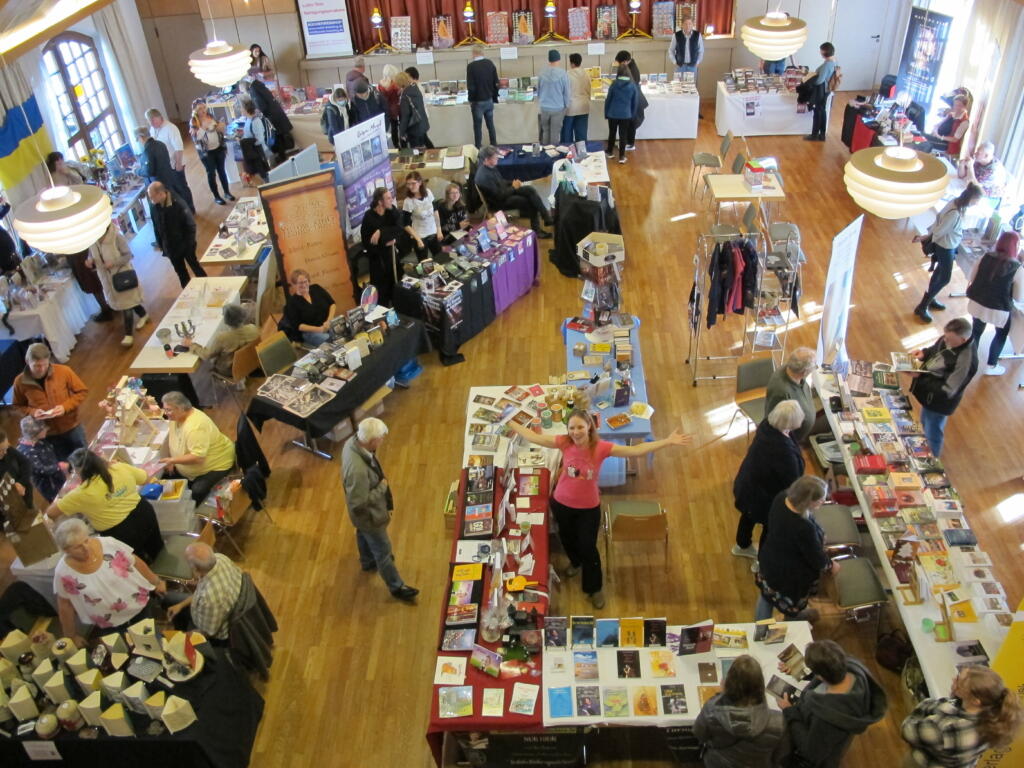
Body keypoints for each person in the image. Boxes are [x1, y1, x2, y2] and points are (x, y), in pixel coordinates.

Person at [508, 409, 691, 609]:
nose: (576, 432)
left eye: (580, 427)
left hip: (588, 508)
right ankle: (575, 563)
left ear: (589, 427)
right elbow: (534, 436)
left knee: (589, 548)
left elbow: (636, 451)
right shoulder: (564, 442)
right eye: (572, 428)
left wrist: (667, 441)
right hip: (561, 503)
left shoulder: (602, 448)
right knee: (567, 538)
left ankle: (593, 588)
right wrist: (509, 420)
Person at [340, 417, 419, 602]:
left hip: (362, 519)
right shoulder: (358, 470)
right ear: (372, 441)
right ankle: (396, 586)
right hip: (370, 516)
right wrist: (382, 487)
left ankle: (367, 562)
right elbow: (358, 503)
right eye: (381, 437)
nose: (383, 440)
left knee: (362, 533)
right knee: (383, 553)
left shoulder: (352, 443)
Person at [53, 518, 166, 645]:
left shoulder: (108, 544)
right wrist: (71, 636)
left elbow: (135, 562)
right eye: (78, 547)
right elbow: (65, 605)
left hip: (137, 608)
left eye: (86, 540)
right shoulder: (63, 572)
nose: (86, 548)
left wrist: (156, 582)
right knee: (124, 654)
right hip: (109, 623)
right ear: (66, 550)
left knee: (153, 644)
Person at [780, 640, 888, 768]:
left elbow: (810, 752)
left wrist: (789, 711)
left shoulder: (827, 716)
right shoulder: (853, 670)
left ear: (821, 675)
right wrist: (798, 670)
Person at [45, 448, 163, 564]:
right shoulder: (119, 468)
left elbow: (51, 513)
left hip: (121, 532)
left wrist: (67, 495)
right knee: (158, 550)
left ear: (78, 471)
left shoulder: (81, 493)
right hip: (144, 513)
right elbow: (145, 479)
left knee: (136, 563)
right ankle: (168, 572)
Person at [902, 665, 1023, 768]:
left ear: (976, 700)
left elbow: (907, 730)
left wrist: (925, 706)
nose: (954, 679)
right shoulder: (992, 720)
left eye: (960, 682)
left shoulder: (949, 728)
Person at [731, 400, 806, 560]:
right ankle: (762, 561)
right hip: (764, 497)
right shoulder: (784, 453)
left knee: (747, 516)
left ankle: (742, 545)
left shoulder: (768, 427)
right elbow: (792, 481)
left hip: (749, 486)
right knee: (770, 526)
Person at [45, 152, 114, 322]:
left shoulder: (69, 171)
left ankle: (108, 306)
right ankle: (106, 305)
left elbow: (81, 183)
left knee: (92, 277)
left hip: (82, 246)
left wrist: (67, 171)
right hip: (78, 242)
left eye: (62, 159)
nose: (61, 163)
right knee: (91, 278)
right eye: (58, 161)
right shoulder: (53, 182)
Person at [754, 475, 833, 621]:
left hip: (770, 561)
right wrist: (831, 565)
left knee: (766, 597)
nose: (823, 502)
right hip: (790, 577)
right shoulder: (803, 528)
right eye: (820, 500)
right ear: (808, 501)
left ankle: (759, 632)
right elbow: (816, 558)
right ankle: (792, 625)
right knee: (791, 607)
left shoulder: (782, 498)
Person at [694, 654, 789, 768]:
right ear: (760, 684)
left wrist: (722, 694)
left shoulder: (711, 709)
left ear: (728, 682)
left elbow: (699, 734)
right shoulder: (779, 722)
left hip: (719, 763)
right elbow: (780, 756)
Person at [905, 317, 978, 458]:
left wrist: (920, 376)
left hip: (939, 402)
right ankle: (924, 449)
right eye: (944, 336)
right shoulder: (950, 339)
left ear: (963, 340)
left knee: (933, 431)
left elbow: (947, 390)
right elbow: (936, 349)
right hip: (929, 397)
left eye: (948, 339)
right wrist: (924, 353)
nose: (945, 341)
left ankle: (932, 459)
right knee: (926, 422)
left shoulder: (966, 362)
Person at [913, 184, 985, 323]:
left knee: (939, 273)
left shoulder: (954, 203)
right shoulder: (955, 213)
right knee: (945, 277)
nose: (976, 204)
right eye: (977, 201)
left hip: (946, 245)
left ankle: (930, 299)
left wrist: (928, 235)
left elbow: (938, 219)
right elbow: (940, 231)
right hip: (946, 247)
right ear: (972, 199)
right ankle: (923, 306)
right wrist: (926, 237)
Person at [13, 343, 88, 461]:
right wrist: (32, 412)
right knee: (63, 464)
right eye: (37, 366)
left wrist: (65, 407)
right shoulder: (19, 382)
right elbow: (17, 406)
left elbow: (82, 391)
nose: (42, 369)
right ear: (27, 361)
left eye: (45, 365)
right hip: (48, 434)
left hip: (72, 426)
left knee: (85, 459)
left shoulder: (64, 371)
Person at [158, 391, 237, 504]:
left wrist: (172, 460)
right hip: (189, 467)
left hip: (216, 465)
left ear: (181, 408)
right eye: (165, 409)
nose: (166, 413)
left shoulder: (195, 427)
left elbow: (198, 457)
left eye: (169, 410)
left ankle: (196, 513)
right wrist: (172, 459)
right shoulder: (178, 417)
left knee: (197, 491)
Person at [967, 231, 1022, 377]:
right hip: (998, 308)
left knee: (976, 331)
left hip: (977, 303)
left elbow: (971, 277)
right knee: (1001, 334)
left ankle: (968, 362)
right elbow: (1018, 297)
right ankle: (991, 365)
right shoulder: (1017, 268)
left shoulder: (985, 257)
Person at [86, 221, 149, 348]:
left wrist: (114, 262)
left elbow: (128, 255)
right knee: (128, 302)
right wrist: (89, 260)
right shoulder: (92, 239)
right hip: (107, 278)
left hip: (122, 275)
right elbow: (91, 254)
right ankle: (144, 314)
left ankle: (128, 335)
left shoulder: (117, 237)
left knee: (126, 304)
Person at [166, 541, 243, 642]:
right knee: (172, 601)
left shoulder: (209, 599)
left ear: (196, 569)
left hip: (211, 632)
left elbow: (207, 633)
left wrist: (178, 638)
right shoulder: (221, 558)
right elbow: (200, 592)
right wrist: (180, 605)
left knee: (170, 640)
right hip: (211, 612)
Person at [475, 145, 553, 237]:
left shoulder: (490, 167)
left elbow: (501, 181)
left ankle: (546, 218)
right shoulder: (484, 176)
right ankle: (538, 231)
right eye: (495, 157)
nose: (497, 158)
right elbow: (499, 196)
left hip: (503, 192)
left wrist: (512, 183)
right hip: (498, 202)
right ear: (487, 159)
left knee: (529, 190)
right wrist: (513, 187)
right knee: (529, 201)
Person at [148, 181, 207, 288]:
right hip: (171, 248)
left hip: (185, 245)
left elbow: (191, 225)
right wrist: (162, 246)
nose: (151, 200)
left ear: (161, 194)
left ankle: (208, 287)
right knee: (181, 274)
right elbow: (156, 227)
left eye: (152, 197)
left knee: (195, 267)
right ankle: (189, 295)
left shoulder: (178, 204)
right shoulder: (153, 207)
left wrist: (188, 245)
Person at [182, 303, 259, 378]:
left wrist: (192, 345)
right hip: (250, 363)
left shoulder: (223, 338)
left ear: (226, 320)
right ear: (242, 315)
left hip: (230, 370)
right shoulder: (253, 328)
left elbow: (207, 355)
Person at [360, 187, 405, 307]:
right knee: (382, 292)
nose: (392, 200)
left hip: (392, 257)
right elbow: (367, 243)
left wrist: (381, 231)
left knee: (397, 286)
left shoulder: (392, 211)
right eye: (388, 198)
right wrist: (384, 243)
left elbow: (399, 228)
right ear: (380, 202)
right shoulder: (369, 217)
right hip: (378, 261)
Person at [764, 347, 818, 444]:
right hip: (793, 438)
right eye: (813, 367)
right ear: (805, 372)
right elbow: (777, 423)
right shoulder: (781, 392)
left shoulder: (791, 369)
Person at [145, 108, 194, 211]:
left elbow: (178, 147)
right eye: (150, 121)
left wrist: (178, 163)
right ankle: (182, 211)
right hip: (165, 166)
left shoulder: (171, 128)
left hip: (175, 163)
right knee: (173, 189)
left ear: (159, 117)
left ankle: (190, 208)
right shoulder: (153, 129)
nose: (152, 123)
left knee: (181, 187)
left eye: (153, 120)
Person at [189, 99, 236, 205]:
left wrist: (221, 127)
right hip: (206, 152)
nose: (203, 110)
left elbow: (219, 129)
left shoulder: (211, 116)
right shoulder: (194, 122)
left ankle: (227, 192)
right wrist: (204, 128)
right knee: (211, 173)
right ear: (195, 111)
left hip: (218, 148)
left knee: (222, 171)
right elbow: (197, 138)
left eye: (204, 107)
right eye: (200, 109)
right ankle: (216, 196)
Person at [136, 126, 191, 208]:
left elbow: (149, 171)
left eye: (138, 139)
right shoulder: (160, 144)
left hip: (158, 186)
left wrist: (137, 171)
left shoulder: (147, 151)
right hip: (169, 179)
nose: (139, 142)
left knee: (167, 207)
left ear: (141, 137)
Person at [15, 416, 67, 503]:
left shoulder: (40, 440)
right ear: (35, 433)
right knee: (61, 501)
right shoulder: (26, 452)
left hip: (57, 476)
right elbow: (40, 469)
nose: (46, 430)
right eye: (43, 429)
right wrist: (58, 467)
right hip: (49, 485)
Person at [245, 78, 294, 163]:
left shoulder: (253, 89)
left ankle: (282, 157)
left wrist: (258, 113)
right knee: (281, 136)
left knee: (277, 137)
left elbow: (261, 106)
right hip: (276, 113)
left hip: (271, 117)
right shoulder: (259, 85)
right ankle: (283, 156)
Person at [283, 269, 336, 346]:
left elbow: (332, 304)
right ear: (294, 285)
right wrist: (320, 329)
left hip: (328, 324)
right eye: (300, 283)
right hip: (311, 332)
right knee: (329, 340)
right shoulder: (292, 303)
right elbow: (299, 326)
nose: (304, 285)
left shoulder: (316, 288)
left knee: (344, 332)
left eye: (306, 281)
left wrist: (329, 321)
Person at [402, 171, 441, 260]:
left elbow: (435, 211)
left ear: (420, 183)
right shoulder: (408, 201)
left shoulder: (428, 192)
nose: (410, 186)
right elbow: (405, 224)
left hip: (433, 232)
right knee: (425, 265)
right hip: (420, 236)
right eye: (408, 184)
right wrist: (418, 240)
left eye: (413, 183)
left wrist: (439, 230)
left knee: (441, 259)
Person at [605, 64, 639, 165]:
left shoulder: (614, 84)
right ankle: (621, 157)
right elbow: (635, 102)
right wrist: (632, 113)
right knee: (623, 135)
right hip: (626, 114)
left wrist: (606, 113)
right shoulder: (632, 85)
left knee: (612, 133)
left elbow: (608, 100)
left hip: (613, 113)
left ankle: (609, 152)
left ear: (618, 73)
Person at [614, 50, 648, 150]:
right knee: (628, 122)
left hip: (632, 99)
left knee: (630, 122)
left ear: (624, 61)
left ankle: (630, 144)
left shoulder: (630, 69)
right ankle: (626, 142)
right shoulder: (631, 65)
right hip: (632, 98)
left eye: (620, 63)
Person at [467, 45, 499, 147]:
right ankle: (494, 145)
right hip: (489, 100)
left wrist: (470, 99)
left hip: (478, 102)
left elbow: (471, 87)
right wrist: (494, 95)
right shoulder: (489, 63)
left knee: (477, 127)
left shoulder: (471, 67)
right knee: (490, 125)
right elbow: (496, 82)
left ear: (474, 53)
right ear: (482, 52)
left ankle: (478, 147)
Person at [804, 42, 836, 142]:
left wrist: (810, 79)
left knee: (818, 112)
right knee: (822, 111)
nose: (820, 52)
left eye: (821, 50)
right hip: (827, 90)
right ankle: (822, 135)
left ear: (824, 51)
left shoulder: (827, 64)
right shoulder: (834, 61)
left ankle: (814, 135)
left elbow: (819, 80)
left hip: (822, 90)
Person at [537, 49, 569, 146]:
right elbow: (566, 92)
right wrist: (566, 106)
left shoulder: (541, 73)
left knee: (546, 131)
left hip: (544, 108)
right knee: (555, 133)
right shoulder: (563, 74)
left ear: (549, 59)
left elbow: (538, 91)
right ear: (558, 59)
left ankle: (545, 154)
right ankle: (553, 155)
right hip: (558, 108)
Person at [238, 99, 272, 182]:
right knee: (261, 175)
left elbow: (259, 140)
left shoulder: (256, 121)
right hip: (255, 153)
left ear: (246, 109)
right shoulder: (248, 120)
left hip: (260, 153)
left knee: (265, 175)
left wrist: (244, 141)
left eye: (241, 108)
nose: (240, 110)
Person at [562, 53, 591, 144]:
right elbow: (589, 90)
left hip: (570, 107)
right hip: (584, 106)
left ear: (572, 63)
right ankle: (582, 153)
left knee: (567, 133)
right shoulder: (587, 74)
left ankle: (567, 153)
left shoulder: (566, 75)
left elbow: (563, 92)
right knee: (581, 134)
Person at [397, 69, 430, 149]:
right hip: (422, 124)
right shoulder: (416, 89)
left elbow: (405, 116)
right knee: (422, 147)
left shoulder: (405, 96)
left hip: (414, 128)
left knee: (416, 152)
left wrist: (401, 132)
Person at [0, 429, 33, 509]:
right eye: (1, 450)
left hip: (25, 494)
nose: (5, 452)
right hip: (8, 507)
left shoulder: (7, 449)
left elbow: (25, 463)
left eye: (6, 448)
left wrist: (20, 483)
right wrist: (13, 491)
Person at [377, 65, 401, 147]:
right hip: (395, 109)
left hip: (385, 110)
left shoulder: (380, 85)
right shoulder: (395, 85)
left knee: (388, 128)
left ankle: (390, 146)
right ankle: (398, 144)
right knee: (396, 128)